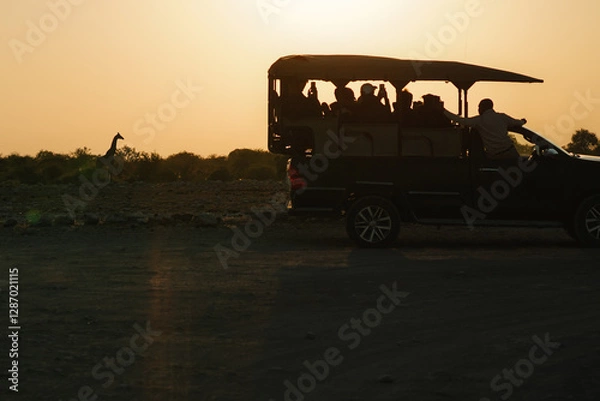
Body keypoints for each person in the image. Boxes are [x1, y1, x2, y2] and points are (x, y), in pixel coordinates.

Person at [444, 98, 527, 159]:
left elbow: (462, 120)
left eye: (479, 107)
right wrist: (523, 121)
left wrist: (443, 111)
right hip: (510, 152)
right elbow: (518, 123)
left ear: (482, 107)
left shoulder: (480, 121)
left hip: (495, 157)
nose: (478, 109)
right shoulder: (502, 117)